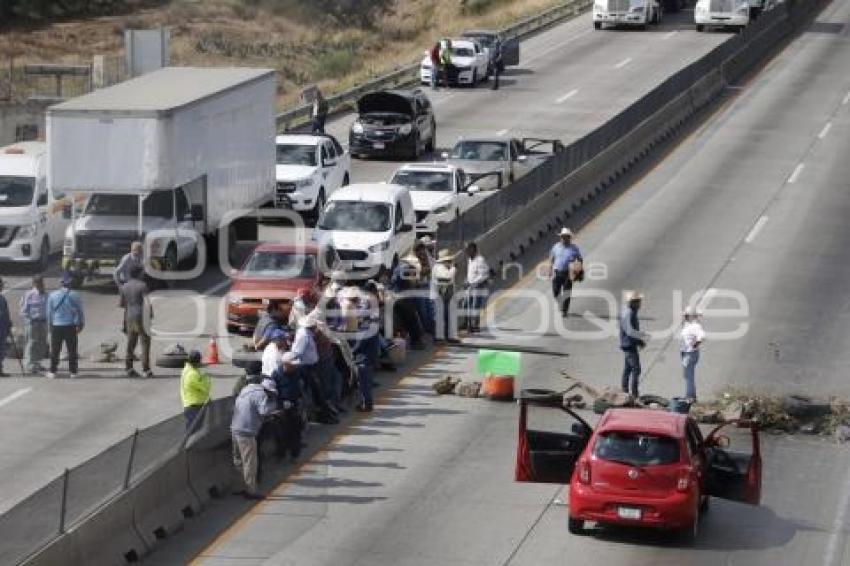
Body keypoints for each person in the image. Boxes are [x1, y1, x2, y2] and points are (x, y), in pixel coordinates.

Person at [231, 367, 275, 500]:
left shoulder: (245, 389)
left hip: (234, 428)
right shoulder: (260, 393)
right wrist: (273, 403)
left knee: (238, 460)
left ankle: (239, 487)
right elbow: (264, 412)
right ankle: (251, 491)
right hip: (247, 432)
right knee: (250, 462)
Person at [292, 313, 338, 424]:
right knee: (316, 392)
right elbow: (297, 352)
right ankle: (320, 416)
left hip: (311, 366)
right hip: (305, 368)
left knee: (317, 391)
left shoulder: (308, 334)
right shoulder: (304, 336)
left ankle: (322, 414)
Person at [46, 272, 84, 379]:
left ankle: (53, 371)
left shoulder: (52, 295)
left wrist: (49, 325)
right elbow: (80, 311)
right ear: (70, 283)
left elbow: (49, 313)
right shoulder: (75, 295)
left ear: (60, 283)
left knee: (55, 349)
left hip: (56, 325)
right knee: (72, 349)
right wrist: (81, 324)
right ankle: (73, 372)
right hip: (70, 325)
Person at [270, 352, 305, 460]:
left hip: (295, 406)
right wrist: (280, 403)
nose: (295, 366)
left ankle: (295, 453)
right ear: (285, 364)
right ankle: (281, 453)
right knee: (281, 432)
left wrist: (301, 401)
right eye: (292, 365)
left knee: (296, 430)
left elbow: (301, 386)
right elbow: (272, 392)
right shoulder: (276, 374)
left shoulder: (298, 372)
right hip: (281, 409)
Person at [120, 265, 153, 378]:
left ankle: (129, 368)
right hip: (142, 317)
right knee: (145, 342)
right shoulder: (142, 286)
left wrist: (124, 322)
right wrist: (150, 317)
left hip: (130, 317)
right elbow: (147, 303)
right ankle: (146, 369)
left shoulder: (124, 286)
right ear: (139, 274)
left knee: (131, 343)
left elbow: (123, 305)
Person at [549, 228, 583, 317]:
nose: (564, 238)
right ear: (561, 237)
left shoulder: (574, 248)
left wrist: (579, 270)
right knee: (555, 291)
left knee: (567, 291)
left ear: (569, 238)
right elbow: (552, 258)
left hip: (569, 273)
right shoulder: (556, 247)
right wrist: (550, 269)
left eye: (566, 237)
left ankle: (564, 310)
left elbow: (579, 258)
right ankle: (561, 303)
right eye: (563, 237)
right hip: (558, 272)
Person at [619, 291, 646, 398]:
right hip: (629, 344)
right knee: (636, 369)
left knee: (628, 368)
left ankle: (624, 390)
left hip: (628, 344)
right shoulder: (629, 313)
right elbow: (630, 332)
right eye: (639, 302)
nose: (640, 304)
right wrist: (640, 341)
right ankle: (634, 393)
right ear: (634, 302)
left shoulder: (628, 312)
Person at [19, 276, 48, 375]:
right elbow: (23, 310)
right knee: (31, 343)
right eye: (38, 282)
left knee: (41, 343)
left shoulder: (46, 294)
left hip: (43, 322)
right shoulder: (29, 295)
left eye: (41, 282)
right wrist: (28, 320)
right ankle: (29, 364)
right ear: (34, 283)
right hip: (33, 322)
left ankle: (37, 363)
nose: (40, 284)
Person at [680, 306, 706, 401]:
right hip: (687, 353)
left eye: (686, 315)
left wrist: (694, 345)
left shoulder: (695, 326)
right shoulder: (689, 324)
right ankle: (690, 395)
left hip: (690, 354)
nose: (684, 317)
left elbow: (702, 336)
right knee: (687, 375)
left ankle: (690, 396)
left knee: (688, 375)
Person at [433, 249, 458, 342]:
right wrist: (453, 269)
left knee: (447, 316)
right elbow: (447, 278)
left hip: (446, 295)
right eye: (448, 261)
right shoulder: (439, 268)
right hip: (441, 295)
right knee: (441, 316)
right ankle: (440, 337)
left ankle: (448, 337)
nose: (450, 262)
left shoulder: (445, 268)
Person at [181, 350, 211, 428]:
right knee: (196, 432)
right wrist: (206, 377)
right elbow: (206, 387)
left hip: (190, 405)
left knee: (193, 431)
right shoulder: (193, 374)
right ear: (197, 362)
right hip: (195, 407)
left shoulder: (186, 370)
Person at [464, 242, 490, 333]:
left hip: (478, 286)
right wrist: (467, 281)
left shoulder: (480, 260)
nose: (466, 251)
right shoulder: (470, 260)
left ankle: (474, 325)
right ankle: (469, 324)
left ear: (473, 250)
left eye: (468, 249)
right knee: (466, 304)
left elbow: (484, 275)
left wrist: (473, 283)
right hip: (470, 286)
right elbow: (470, 273)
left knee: (475, 305)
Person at [0, 278, 10, 377]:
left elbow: (6, 313)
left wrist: (9, 323)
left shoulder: (2, 298)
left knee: (2, 349)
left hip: (2, 327)